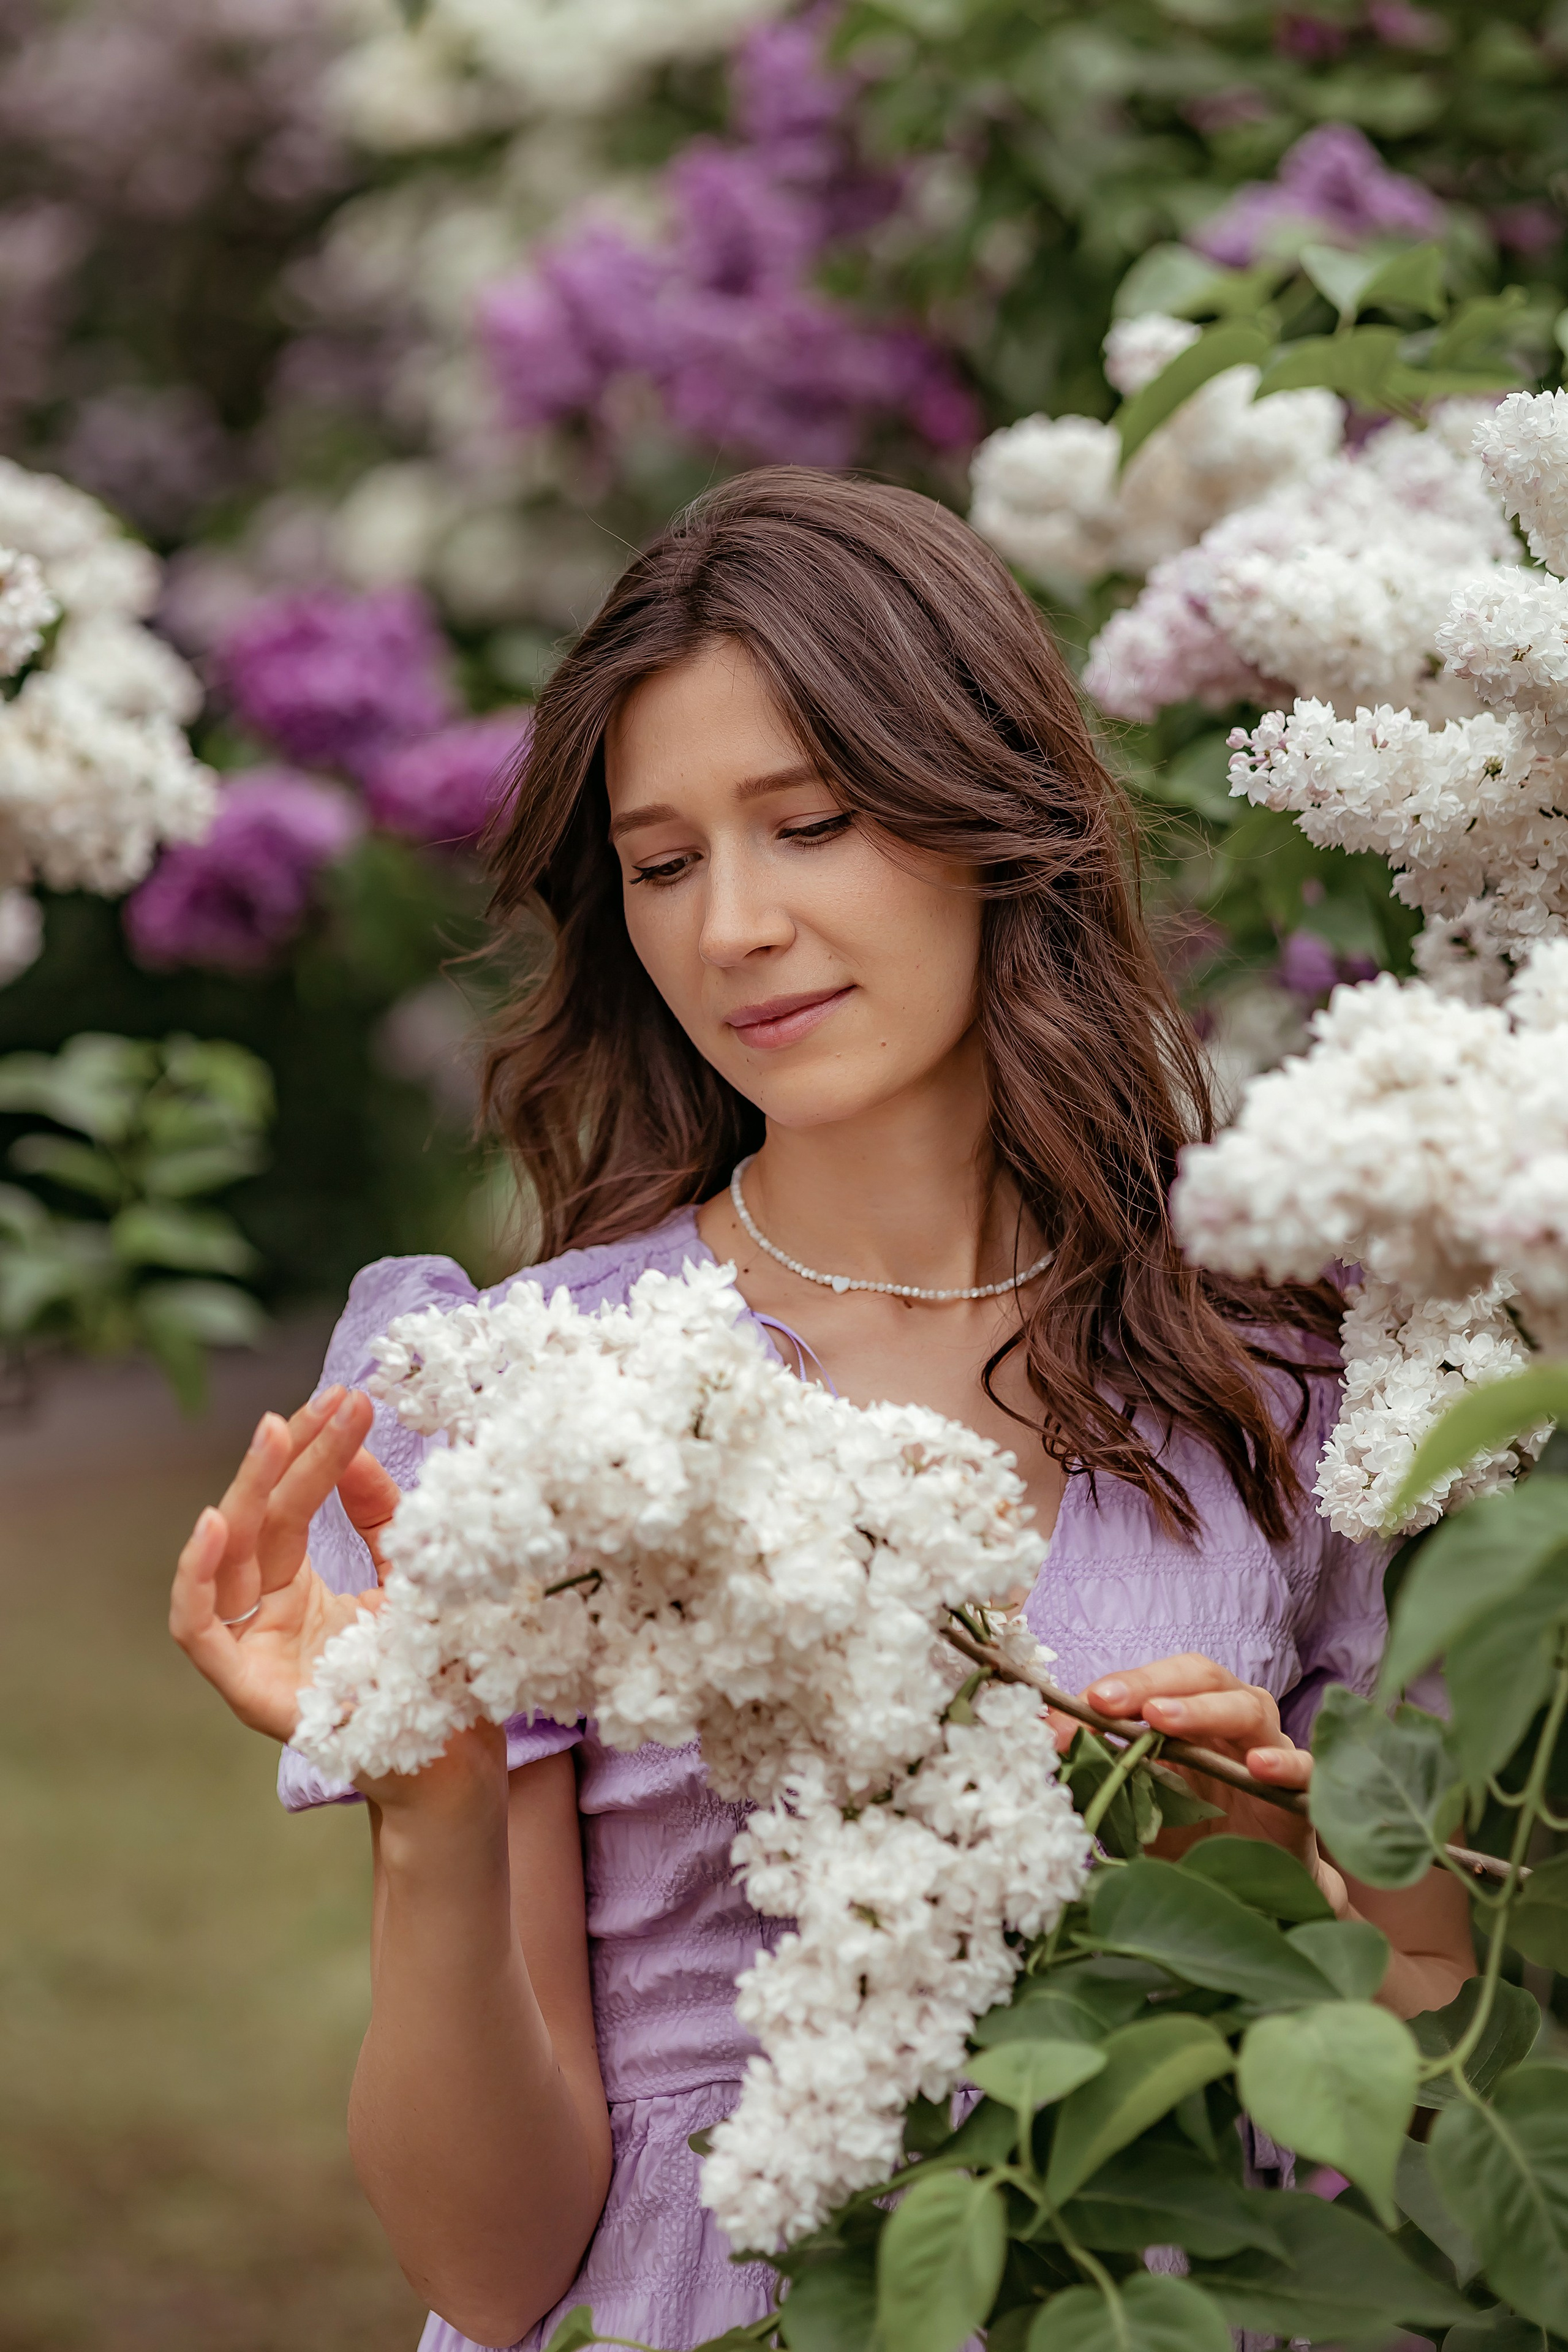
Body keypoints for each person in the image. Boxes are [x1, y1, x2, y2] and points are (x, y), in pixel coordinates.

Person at [169, 470, 1475, 2352]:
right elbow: (486, 2268)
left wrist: (1259, 1890)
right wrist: (431, 1808)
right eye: (668, 860)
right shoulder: (532, 1404)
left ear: (989, 820)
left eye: (813, 823)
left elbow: (1444, 2047)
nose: (737, 928)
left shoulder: (1288, 1379)